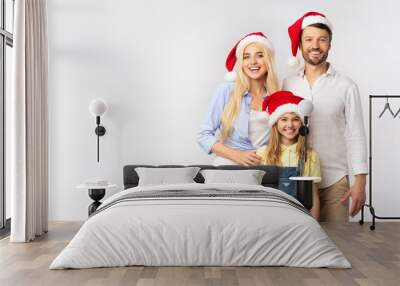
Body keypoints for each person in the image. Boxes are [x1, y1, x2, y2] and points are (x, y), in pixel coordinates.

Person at [283, 12, 368, 222]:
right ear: (301, 44)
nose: (315, 45)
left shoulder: (346, 86)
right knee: (296, 246)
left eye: (322, 40)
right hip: (295, 179)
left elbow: (355, 134)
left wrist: (360, 183)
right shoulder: (288, 84)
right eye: (309, 39)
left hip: (334, 181)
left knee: (337, 243)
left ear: (330, 44)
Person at [197, 32, 279, 166]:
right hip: (228, 166)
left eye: (260, 55)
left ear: (268, 60)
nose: (253, 62)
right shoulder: (226, 91)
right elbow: (203, 135)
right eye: (246, 57)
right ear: (241, 62)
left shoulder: (276, 96)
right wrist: (237, 155)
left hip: (263, 169)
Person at [256, 91, 321, 220]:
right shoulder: (262, 153)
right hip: (270, 215)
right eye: (284, 119)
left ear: (302, 124)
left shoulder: (310, 155)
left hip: (300, 216)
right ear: (275, 124)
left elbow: (313, 196)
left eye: (295, 119)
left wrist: (315, 225)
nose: (290, 125)